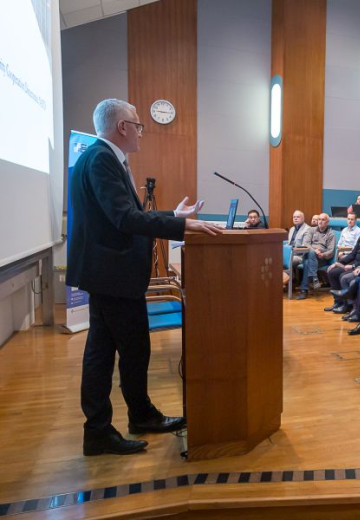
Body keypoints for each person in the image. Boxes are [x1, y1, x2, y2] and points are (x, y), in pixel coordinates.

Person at [67, 98, 222, 456]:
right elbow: (125, 219)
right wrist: (182, 225)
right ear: (122, 127)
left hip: (108, 274)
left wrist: (172, 213)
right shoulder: (103, 159)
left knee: (102, 353)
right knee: (130, 351)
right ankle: (130, 420)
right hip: (113, 275)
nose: (141, 132)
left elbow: (123, 215)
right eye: (138, 125)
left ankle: (107, 428)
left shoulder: (98, 157)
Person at [325, 212, 360, 314]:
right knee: (332, 271)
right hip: (354, 262)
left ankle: (348, 305)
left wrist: (354, 265)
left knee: (342, 276)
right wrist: (338, 262)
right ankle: (338, 302)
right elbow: (353, 253)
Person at [297, 213, 336, 299]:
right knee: (311, 252)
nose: (320, 221)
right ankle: (314, 277)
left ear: (327, 222)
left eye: (323, 220)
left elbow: (331, 251)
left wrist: (322, 254)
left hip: (321, 259)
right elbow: (306, 243)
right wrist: (314, 250)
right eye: (319, 219)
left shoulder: (331, 234)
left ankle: (304, 290)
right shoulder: (311, 230)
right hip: (308, 255)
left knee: (307, 263)